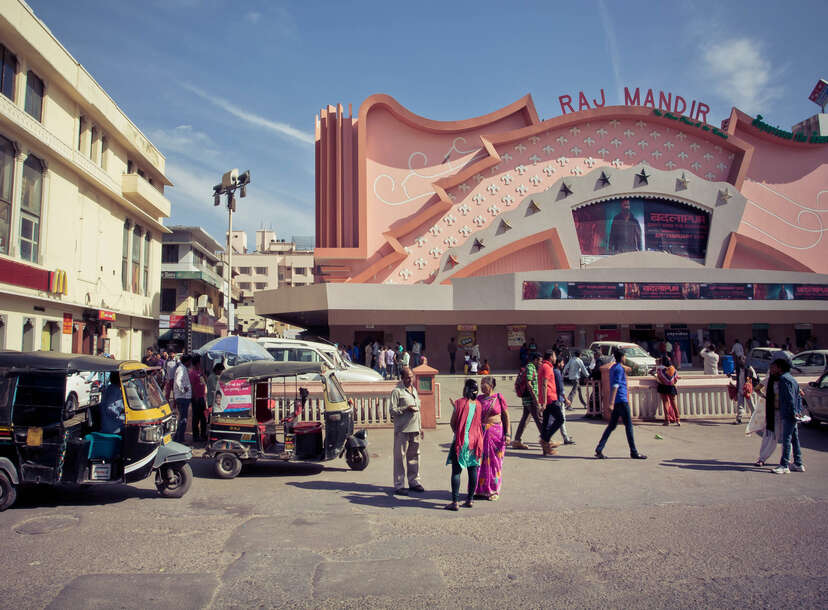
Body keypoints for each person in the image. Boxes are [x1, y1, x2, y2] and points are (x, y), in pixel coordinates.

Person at [595, 349, 647, 460]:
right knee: (628, 426)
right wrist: (611, 403)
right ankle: (634, 452)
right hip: (621, 400)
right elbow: (615, 385)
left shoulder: (613, 368)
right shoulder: (619, 369)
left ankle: (599, 448)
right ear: (622, 357)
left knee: (611, 426)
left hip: (618, 401)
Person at [445, 379, 483, 511]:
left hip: (462, 441)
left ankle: (455, 502)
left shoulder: (459, 403)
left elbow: (452, 422)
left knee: (456, 471)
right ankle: (470, 499)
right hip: (476, 440)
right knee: (473, 470)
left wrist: (458, 433)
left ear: (466, 389)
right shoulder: (479, 404)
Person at [389, 366, 424, 495]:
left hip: (414, 428)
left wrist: (421, 427)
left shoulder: (414, 390)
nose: (410, 380)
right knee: (399, 457)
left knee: (414, 456)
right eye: (407, 377)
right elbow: (392, 410)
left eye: (412, 377)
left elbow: (418, 410)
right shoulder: (397, 391)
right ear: (402, 378)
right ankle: (399, 485)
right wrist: (405, 408)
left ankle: (414, 481)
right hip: (402, 429)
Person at [768, 352, 806, 474]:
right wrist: (798, 412)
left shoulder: (784, 379)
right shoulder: (791, 378)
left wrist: (794, 413)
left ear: (779, 368)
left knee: (787, 439)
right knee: (794, 439)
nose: (771, 369)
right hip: (793, 413)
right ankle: (798, 463)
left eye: (773, 367)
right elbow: (798, 396)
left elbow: (790, 398)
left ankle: (784, 465)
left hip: (789, 414)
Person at [475, 376, 510, 501]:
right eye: (481, 384)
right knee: (480, 462)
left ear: (491, 385)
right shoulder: (478, 399)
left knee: (495, 463)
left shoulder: (499, 398)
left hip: (496, 434)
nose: (481, 386)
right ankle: (479, 490)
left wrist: (508, 433)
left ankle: (494, 490)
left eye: (484, 384)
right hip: (481, 434)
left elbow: (506, 416)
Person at [512, 353, 543, 450]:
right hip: (530, 399)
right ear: (535, 360)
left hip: (526, 399)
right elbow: (529, 383)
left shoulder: (530, 367)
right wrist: (535, 399)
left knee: (525, 419)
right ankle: (547, 440)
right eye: (540, 361)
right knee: (539, 419)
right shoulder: (531, 367)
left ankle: (517, 440)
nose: (541, 363)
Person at [538, 350, 562, 456]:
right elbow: (544, 384)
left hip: (546, 398)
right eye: (555, 355)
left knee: (545, 423)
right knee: (560, 419)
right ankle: (545, 440)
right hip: (550, 398)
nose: (556, 357)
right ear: (551, 357)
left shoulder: (543, 366)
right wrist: (544, 402)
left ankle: (545, 446)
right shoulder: (547, 367)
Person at [731, 354, 758, 425]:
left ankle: (755, 418)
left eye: (742, 360)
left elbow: (755, 377)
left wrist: (750, 381)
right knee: (740, 405)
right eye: (739, 360)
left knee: (751, 404)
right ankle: (739, 419)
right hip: (740, 389)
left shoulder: (749, 368)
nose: (741, 361)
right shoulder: (737, 369)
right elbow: (737, 378)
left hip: (747, 389)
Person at [172, 354, 192, 443]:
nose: (190, 363)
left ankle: (177, 437)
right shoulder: (181, 369)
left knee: (182, 418)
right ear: (187, 361)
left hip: (184, 397)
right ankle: (180, 439)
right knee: (183, 419)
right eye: (189, 361)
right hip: (182, 397)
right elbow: (177, 381)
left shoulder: (183, 368)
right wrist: (183, 389)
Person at [655, 356, 680, 426]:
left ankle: (667, 420)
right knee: (673, 403)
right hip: (671, 387)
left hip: (663, 387)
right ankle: (678, 419)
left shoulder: (660, 369)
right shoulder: (673, 369)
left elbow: (659, 377)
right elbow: (675, 379)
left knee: (665, 403)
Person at [189, 354, 208, 443]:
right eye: (199, 362)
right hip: (196, 397)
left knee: (203, 417)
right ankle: (195, 436)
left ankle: (203, 435)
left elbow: (205, 382)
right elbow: (192, 386)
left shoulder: (200, 372)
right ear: (197, 363)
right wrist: (195, 396)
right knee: (196, 418)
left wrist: (203, 374)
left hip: (202, 396)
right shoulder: (192, 373)